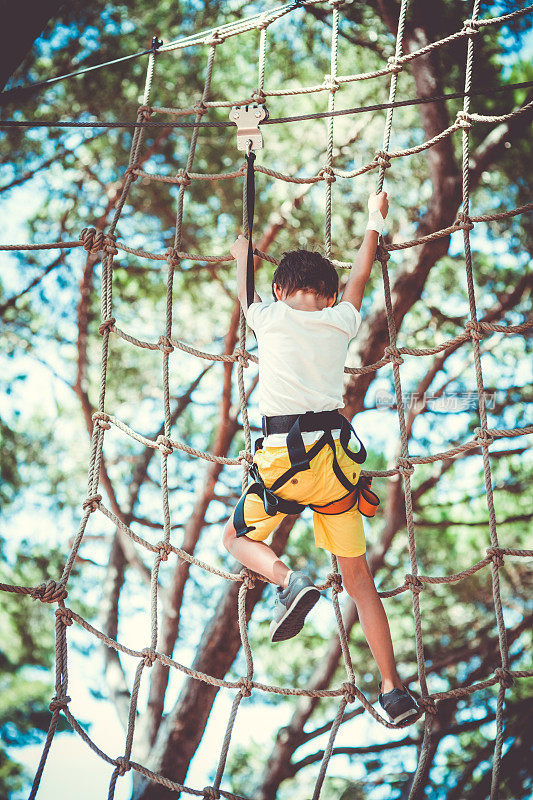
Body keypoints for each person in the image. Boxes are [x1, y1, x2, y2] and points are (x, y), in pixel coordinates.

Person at [222, 192, 418, 725]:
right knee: (358, 579)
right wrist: (375, 221)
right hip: (334, 469)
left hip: (283, 466)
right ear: (330, 298)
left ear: (281, 292)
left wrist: (244, 254)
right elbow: (357, 276)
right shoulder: (342, 321)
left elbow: (246, 288)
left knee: (236, 540)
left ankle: (288, 582)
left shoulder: (268, 317)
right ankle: (393, 688)